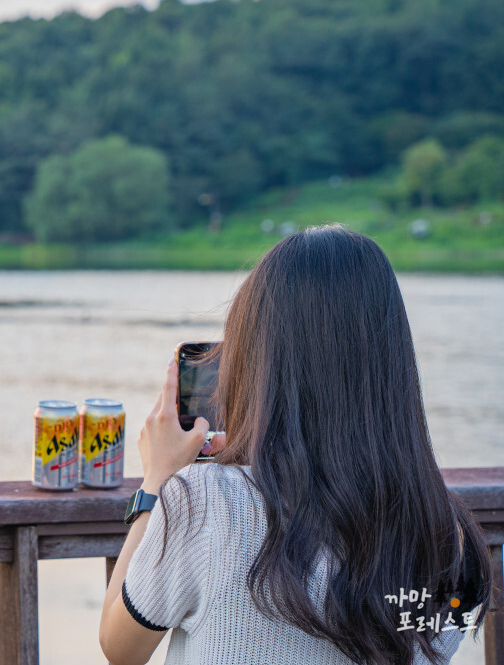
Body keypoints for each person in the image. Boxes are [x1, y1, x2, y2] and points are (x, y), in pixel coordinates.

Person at [99, 224, 492, 665]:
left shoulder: (204, 500)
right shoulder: (449, 538)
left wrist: (156, 483)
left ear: (256, 361)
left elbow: (120, 648)